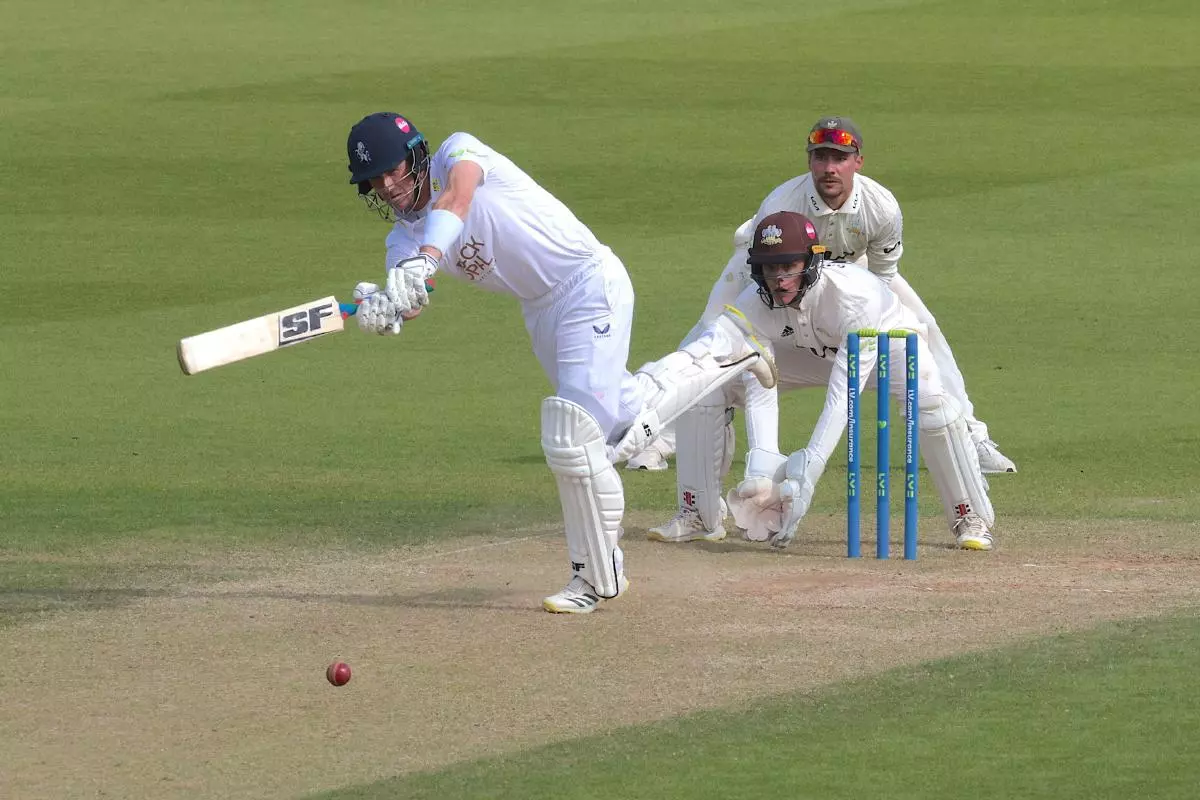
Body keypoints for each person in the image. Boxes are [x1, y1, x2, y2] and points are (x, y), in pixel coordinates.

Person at [343, 112, 777, 614]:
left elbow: (456, 200)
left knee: (573, 435)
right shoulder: (402, 240)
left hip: (589, 285)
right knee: (619, 423)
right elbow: (411, 297)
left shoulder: (457, 154)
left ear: (417, 154)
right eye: (375, 181)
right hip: (543, 313)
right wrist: (387, 305)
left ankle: (596, 574)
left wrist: (426, 260)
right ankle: (728, 347)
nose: (388, 185)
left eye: (394, 169)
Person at [626, 116, 1016, 476]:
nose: (829, 167)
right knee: (713, 332)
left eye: (839, 158)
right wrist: (758, 322)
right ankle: (656, 436)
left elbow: (882, 275)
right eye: (820, 157)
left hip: (854, 271)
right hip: (769, 267)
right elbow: (758, 273)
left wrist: (857, 323)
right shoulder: (782, 204)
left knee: (924, 331)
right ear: (810, 161)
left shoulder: (881, 207)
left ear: (857, 162)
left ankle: (968, 434)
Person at [656, 211, 996, 551]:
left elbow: (843, 398)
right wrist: (762, 471)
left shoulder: (852, 297)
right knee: (712, 388)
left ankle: (969, 515)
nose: (780, 279)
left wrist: (808, 476)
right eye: (770, 268)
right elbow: (761, 382)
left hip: (888, 350)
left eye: (788, 266)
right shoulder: (754, 304)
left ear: (811, 261)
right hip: (814, 351)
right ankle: (699, 514)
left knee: (930, 402)